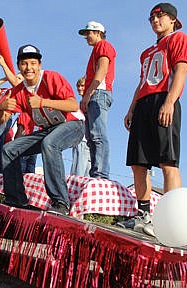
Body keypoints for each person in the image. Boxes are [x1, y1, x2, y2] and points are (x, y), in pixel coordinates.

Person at [117, 3, 187, 236]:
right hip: (144, 103)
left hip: (164, 98)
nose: (155, 20)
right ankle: (143, 215)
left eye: (160, 16)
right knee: (138, 164)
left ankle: (171, 217)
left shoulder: (179, 39)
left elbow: (180, 71)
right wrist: (131, 109)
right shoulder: (146, 52)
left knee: (167, 161)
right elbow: (141, 83)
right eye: (151, 18)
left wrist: (170, 101)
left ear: (172, 20)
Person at [0, 44, 85, 215]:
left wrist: (43, 102)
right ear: (19, 67)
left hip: (74, 125)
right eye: (24, 64)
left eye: (33, 63)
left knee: (50, 143)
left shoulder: (51, 78)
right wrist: (1, 108)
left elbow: (72, 105)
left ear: (39, 65)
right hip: (49, 131)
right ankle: (16, 200)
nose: (29, 68)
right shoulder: (18, 91)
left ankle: (60, 202)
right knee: (9, 149)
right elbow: (0, 120)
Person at [78, 21, 116, 179]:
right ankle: (96, 173)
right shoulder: (97, 48)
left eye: (89, 33)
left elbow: (102, 70)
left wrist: (87, 94)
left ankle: (100, 174)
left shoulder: (103, 45)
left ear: (98, 33)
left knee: (98, 135)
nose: (87, 36)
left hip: (98, 93)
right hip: (96, 93)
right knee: (92, 137)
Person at [71, 77, 91, 177]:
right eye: (78, 86)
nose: (79, 88)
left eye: (82, 86)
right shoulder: (81, 103)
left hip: (83, 140)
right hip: (81, 140)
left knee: (79, 174)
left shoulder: (88, 103)